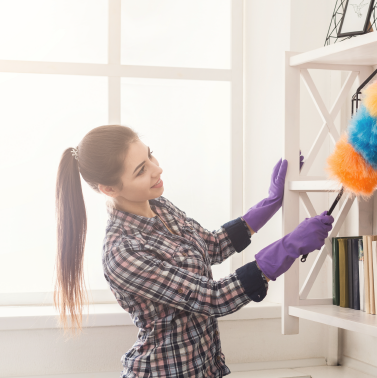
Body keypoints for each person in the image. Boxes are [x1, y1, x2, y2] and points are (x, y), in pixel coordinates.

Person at [54, 124, 334, 377]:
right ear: (109, 188)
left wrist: (272, 201)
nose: (156, 169)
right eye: (141, 170)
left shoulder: (161, 207)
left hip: (205, 368)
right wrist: (288, 247)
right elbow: (212, 299)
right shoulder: (123, 252)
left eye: (150, 156)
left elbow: (212, 245)